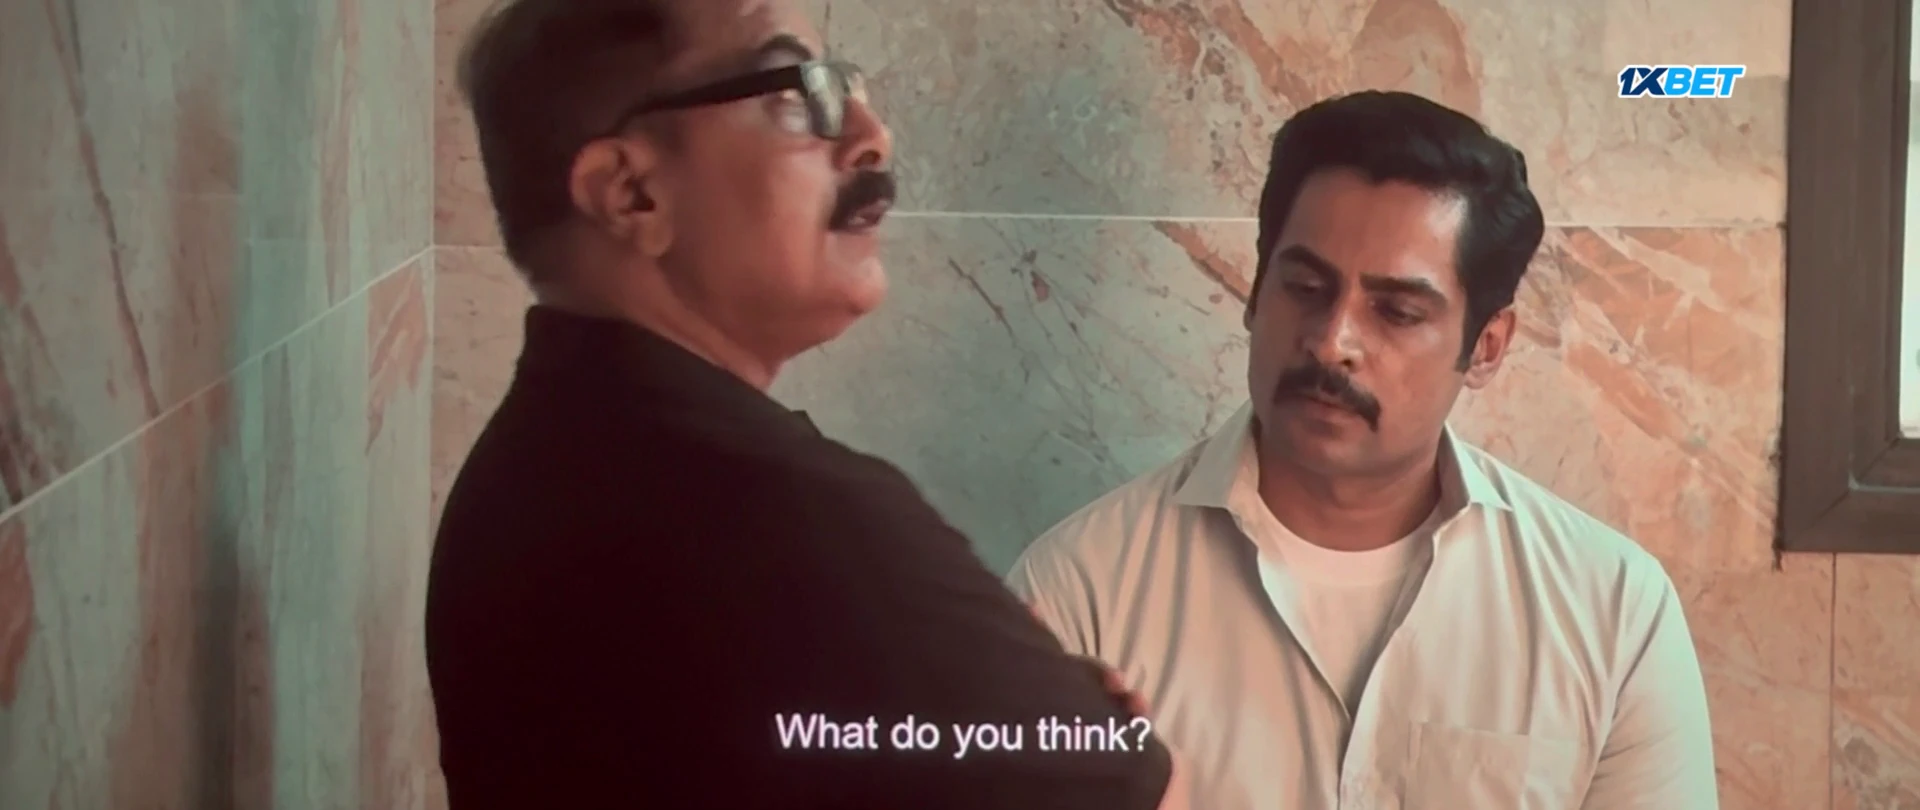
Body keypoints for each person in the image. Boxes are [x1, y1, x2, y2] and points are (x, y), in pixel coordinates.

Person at [424, 1, 1190, 808]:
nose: (871, 135)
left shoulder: (534, 466)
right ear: (631, 193)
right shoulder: (776, 517)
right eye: (795, 94)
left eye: (842, 85)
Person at [1008, 91, 1719, 810]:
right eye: (1304, 288)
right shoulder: (1081, 590)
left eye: (1397, 312)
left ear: (1486, 345)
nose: (1331, 342)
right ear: (1255, 294)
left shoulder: (1610, 609)